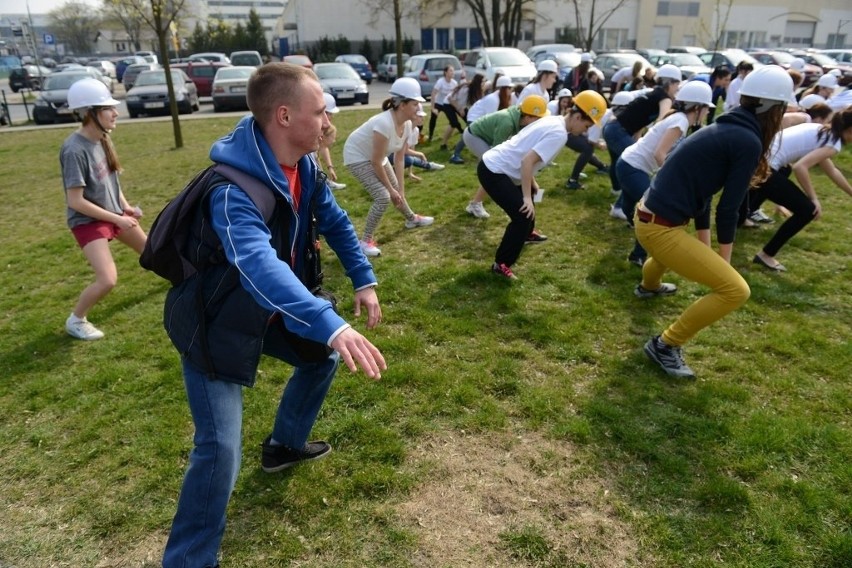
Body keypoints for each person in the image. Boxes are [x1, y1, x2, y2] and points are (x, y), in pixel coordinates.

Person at [161, 62, 387, 568]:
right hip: (215, 325)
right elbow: (258, 267)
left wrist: (363, 279)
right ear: (284, 116)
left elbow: (335, 220)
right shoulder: (231, 190)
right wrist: (330, 323)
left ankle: (284, 444)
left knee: (320, 357)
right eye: (320, 110)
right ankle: (188, 561)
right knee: (219, 452)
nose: (329, 119)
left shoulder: (304, 166)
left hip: (272, 313)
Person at [634, 65, 792, 379]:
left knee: (666, 254)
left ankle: (648, 287)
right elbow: (729, 209)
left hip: (648, 214)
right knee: (735, 290)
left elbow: (704, 191)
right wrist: (725, 263)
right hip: (659, 227)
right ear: (773, 109)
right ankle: (665, 345)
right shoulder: (746, 140)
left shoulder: (726, 126)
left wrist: (706, 243)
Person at [478, 91, 607, 280]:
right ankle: (501, 264)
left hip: (499, 166)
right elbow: (526, 161)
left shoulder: (553, 120)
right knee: (522, 215)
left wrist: (532, 186)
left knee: (530, 196)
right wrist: (527, 198)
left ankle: (527, 234)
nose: (586, 130)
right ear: (577, 117)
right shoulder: (559, 134)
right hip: (493, 170)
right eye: (587, 125)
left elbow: (525, 149)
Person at [60, 78, 147, 341]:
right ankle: (76, 320)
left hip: (113, 214)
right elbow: (75, 201)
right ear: (89, 113)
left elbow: (111, 180)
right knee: (108, 279)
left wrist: (126, 208)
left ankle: (185, 283)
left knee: (153, 250)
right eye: (108, 108)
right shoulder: (74, 150)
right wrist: (115, 219)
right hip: (88, 221)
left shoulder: (103, 138)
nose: (116, 112)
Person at [616, 81, 714, 267]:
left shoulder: (679, 118)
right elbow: (659, 153)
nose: (708, 112)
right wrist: (670, 178)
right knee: (647, 215)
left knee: (633, 213)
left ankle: (640, 249)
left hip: (628, 164)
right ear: (697, 107)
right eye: (706, 108)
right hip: (633, 167)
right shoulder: (681, 121)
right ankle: (638, 257)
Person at [751, 109, 852, 272]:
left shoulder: (822, 131)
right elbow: (800, 167)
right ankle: (766, 255)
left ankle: (743, 217)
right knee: (808, 210)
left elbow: (832, 170)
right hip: (763, 169)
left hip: (755, 160)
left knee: (783, 174)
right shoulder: (833, 142)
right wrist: (814, 199)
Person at [344, 77, 435, 257]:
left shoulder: (408, 124)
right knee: (384, 196)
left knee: (395, 191)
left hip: (378, 157)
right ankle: (365, 241)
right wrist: (391, 190)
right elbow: (375, 161)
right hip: (356, 156)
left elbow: (399, 159)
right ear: (402, 105)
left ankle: (411, 219)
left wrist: (400, 189)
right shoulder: (384, 124)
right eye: (415, 104)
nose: (419, 108)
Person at [462, 95, 550, 219]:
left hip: (485, 137)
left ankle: (478, 203)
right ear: (529, 117)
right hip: (474, 136)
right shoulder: (507, 123)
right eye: (538, 118)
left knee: (498, 171)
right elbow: (497, 156)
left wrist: (532, 182)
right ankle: (475, 205)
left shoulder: (521, 122)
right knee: (494, 169)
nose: (540, 122)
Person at [599, 64, 682, 194]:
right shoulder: (665, 98)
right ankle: (621, 203)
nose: (678, 88)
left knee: (617, 161)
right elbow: (662, 121)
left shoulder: (653, 92)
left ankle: (616, 191)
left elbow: (641, 118)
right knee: (634, 164)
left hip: (611, 127)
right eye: (677, 84)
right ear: (671, 83)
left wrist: (638, 141)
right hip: (618, 130)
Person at [389, 103, 446, 181]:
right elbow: (405, 150)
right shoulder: (404, 128)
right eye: (420, 116)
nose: (423, 119)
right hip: (387, 154)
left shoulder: (416, 130)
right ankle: (429, 165)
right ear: (413, 117)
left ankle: (428, 165)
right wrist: (421, 154)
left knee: (410, 159)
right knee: (408, 160)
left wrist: (410, 172)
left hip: (399, 155)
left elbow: (412, 151)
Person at [449, 73, 487, 164]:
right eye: (483, 81)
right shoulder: (466, 88)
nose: (484, 83)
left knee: (469, 135)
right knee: (466, 136)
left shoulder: (477, 90)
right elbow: (451, 98)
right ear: (479, 82)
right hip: (449, 104)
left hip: (472, 114)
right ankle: (455, 155)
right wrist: (459, 108)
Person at [428, 65, 464, 148]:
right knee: (433, 117)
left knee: (454, 118)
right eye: (451, 71)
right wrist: (433, 108)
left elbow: (456, 96)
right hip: (439, 103)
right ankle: (430, 136)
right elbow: (433, 93)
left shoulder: (454, 83)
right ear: (445, 72)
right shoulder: (441, 81)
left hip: (448, 104)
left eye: (453, 71)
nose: (453, 72)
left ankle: (461, 131)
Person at [317, 92, 346, 190]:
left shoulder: (329, 129)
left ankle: (324, 183)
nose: (331, 117)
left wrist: (330, 168)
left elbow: (323, 148)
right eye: (330, 113)